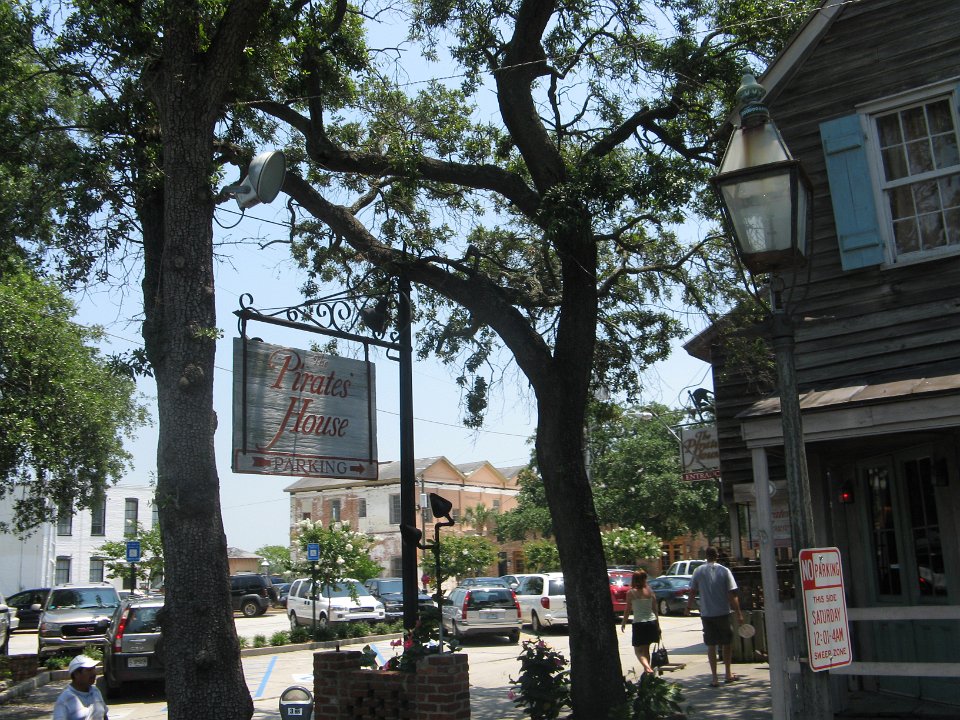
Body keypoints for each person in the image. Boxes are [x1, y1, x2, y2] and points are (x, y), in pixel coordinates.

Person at [687, 547, 743, 688]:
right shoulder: (724, 571)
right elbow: (732, 594)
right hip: (723, 612)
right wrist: (738, 613)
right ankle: (728, 673)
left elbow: (692, 591)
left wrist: (688, 607)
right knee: (727, 643)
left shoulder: (698, 571)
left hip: (707, 614)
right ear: (717, 556)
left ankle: (714, 678)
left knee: (711, 645)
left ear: (706, 556)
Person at [620, 570, 659, 675]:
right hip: (651, 622)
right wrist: (658, 626)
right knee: (646, 650)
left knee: (638, 651)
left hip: (639, 623)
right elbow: (655, 609)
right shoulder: (650, 591)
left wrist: (623, 622)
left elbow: (627, 609)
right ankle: (648, 674)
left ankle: (647, 668)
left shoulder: (631, 593)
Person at [52, 654, 109, 720]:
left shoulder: (95, 691)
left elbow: (104, 715)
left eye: (94, 669)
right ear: (76, 674)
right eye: (89, 670)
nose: (94, 673)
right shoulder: (64, 699)